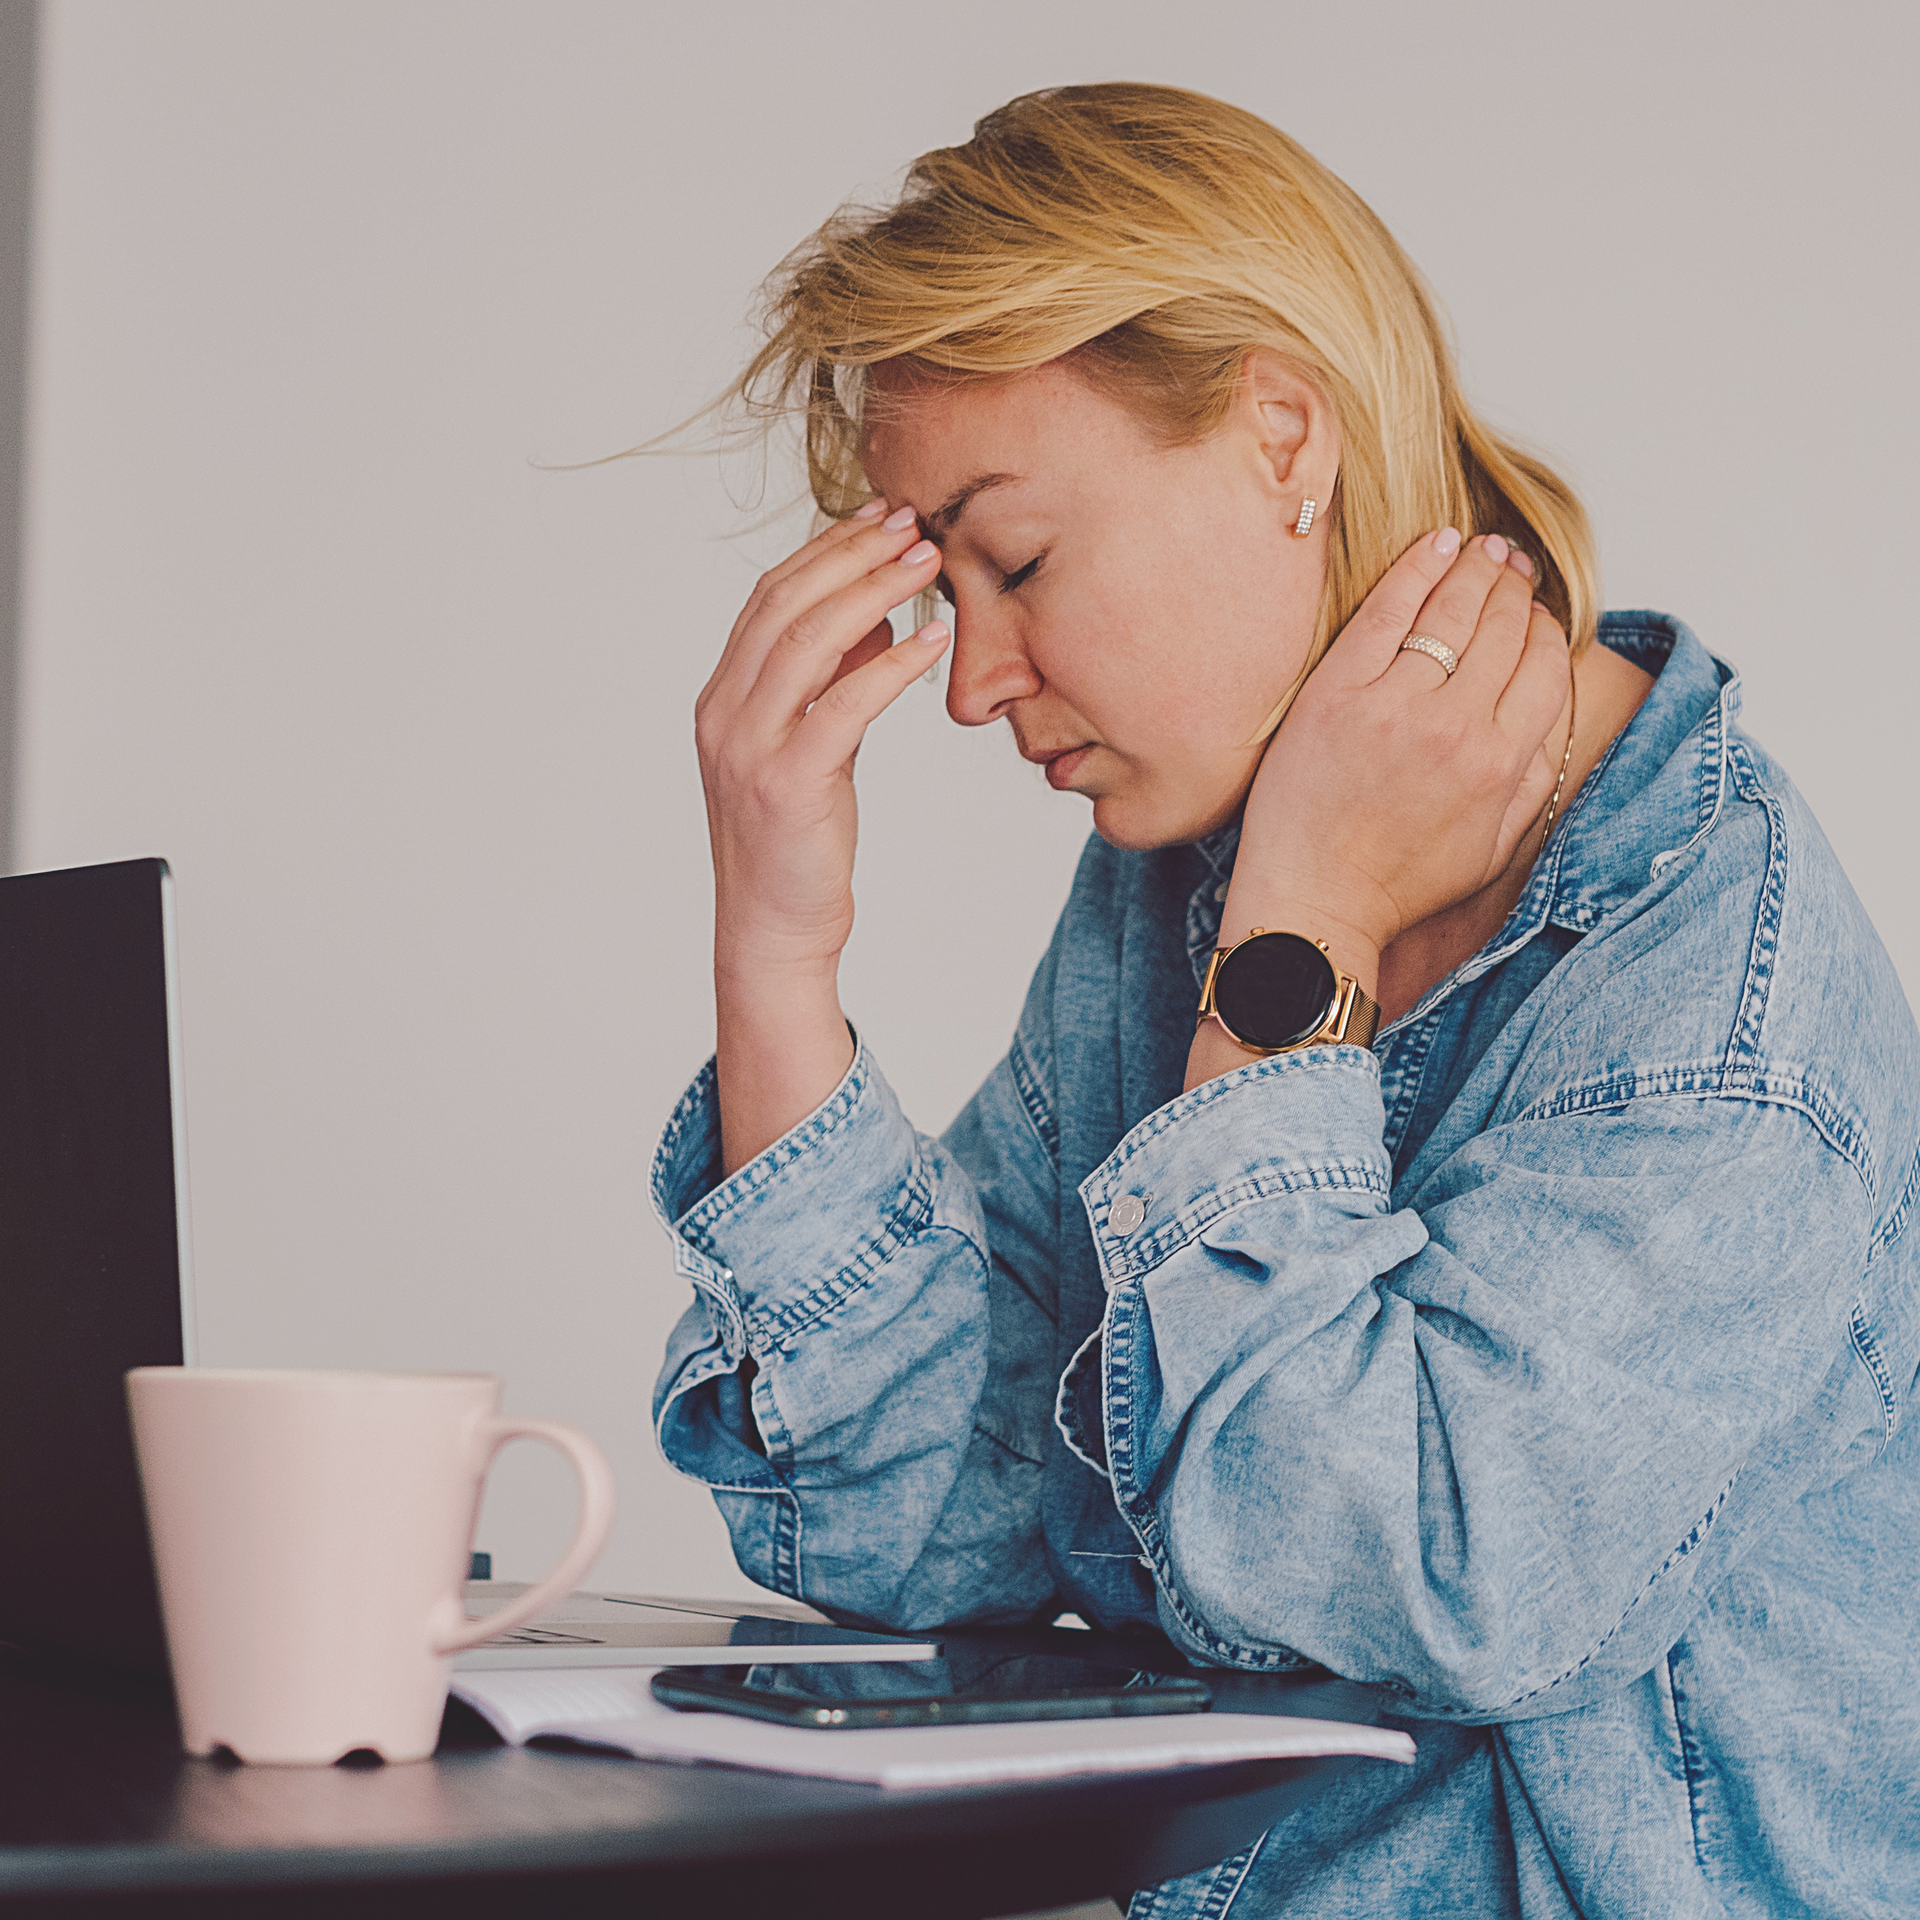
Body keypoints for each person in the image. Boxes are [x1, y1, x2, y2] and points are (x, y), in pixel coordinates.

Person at [649, 84, 1920, 1917]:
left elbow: (1398, 1586)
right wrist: (773, 953)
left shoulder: (1716, 1009)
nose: (970, 684)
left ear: (1280, 435)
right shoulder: (1171, 885)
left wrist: (1295, 946)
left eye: (1017, 562)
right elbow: (941, 1530)